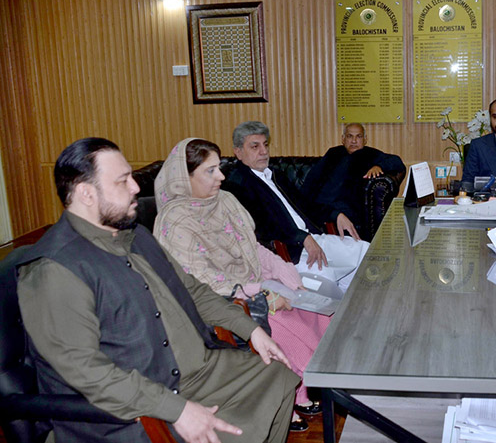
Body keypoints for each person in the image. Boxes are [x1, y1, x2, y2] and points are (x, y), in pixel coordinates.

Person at [16, 137, 298, 443]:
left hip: (198, 371)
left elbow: (193, 290)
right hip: (135, 402)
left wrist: (251, 330)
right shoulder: (54, 270)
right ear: (86, 193)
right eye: (123, 181)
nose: (136, 188)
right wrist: (175, 409)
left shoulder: (137, 237)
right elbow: (87, 372)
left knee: (279, 376)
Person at [153, 137, 331, 432]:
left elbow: (254, 247)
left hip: (257, 283)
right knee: (288, 326)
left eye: (219, 168)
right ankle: (288, 396)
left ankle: (309, 388)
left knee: (318, 311)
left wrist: (281, 268)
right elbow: (201, 282)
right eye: (210, 171)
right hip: (229, 301)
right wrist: (262, 295)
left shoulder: (225, 200)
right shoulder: (175, 220)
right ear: (185, 178)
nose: (221, 176)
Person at [223, 121, 370, 290]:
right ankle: (340, 310)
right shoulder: (237, 186)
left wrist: (336, 214)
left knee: (365, 251)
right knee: (327, 279)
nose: (264, 152)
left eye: (265, 145)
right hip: (290, 251)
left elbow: (307, 206)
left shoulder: (276, 175)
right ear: (238, 152)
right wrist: (301, 237)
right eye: (255, 147)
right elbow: (262, 228)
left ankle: (351, 307)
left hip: (313, 239)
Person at [300, 123, 404, 239]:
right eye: (350, 136)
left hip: (345, 206)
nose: (354, 141)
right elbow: (313, 178)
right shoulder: (333, 153)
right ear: (343, 139)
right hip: (320, 203)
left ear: (365, 140)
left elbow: (397, 162)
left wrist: (379, 166)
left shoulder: (370, 154)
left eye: (358, 136)